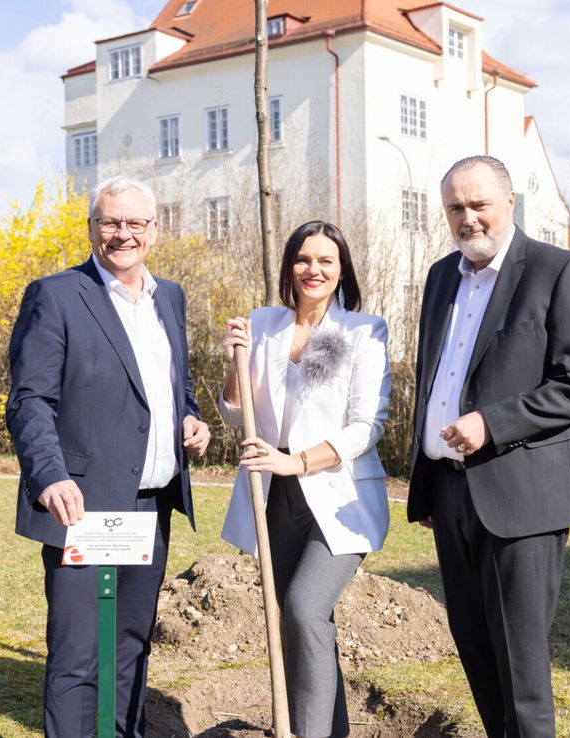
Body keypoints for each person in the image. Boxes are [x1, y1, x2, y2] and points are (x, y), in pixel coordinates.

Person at [406, 156, 570, 738]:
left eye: (479, 205)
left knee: (521, 669)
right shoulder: (441, 276)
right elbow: (437, 378)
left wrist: (492, 424)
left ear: (510, 203)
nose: (468, 218)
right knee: (475, 652)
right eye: (455, 208)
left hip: (523, 494)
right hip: (450, 491)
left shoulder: (560, 270)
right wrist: (428, 483)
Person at [5, 175, 211, 738]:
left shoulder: (169, 297)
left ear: (154, 229)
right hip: (84, 506)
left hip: (152, 505)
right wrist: (49, 476)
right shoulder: (55, 295)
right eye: (109, 222)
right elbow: (29, 401)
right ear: (92, 228)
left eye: (134, 223)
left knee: (129, 646)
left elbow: (173, 386)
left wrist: (190, 419)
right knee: (78, 656)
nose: (122, 233)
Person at [219, 220, 392, 738]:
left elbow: (367, 426)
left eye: (326, 261)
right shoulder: (263, 324)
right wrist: (233, 362)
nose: (313, 270)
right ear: (288, 266)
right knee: (298, 624)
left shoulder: (364, 331)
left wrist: (297, 460)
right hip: (274, 494)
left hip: (338, 495)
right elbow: (236, 415)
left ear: (342, 272)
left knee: (305, 606)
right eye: (303, 259)